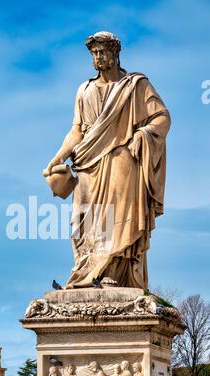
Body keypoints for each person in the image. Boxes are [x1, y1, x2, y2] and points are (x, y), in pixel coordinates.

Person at [44, 31, 170, 289]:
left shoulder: (136, 85)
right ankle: (88, 271)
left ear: (115, 53)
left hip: (121, 159)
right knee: (85, 221)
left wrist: (143, 134)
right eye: (94, 53)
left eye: (102, 52)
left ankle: (112, 272)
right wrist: (56, 158)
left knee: (117, 220)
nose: (98, 57)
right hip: (88, 163)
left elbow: (162, 118)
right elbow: (76, 131)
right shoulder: (84, 90)